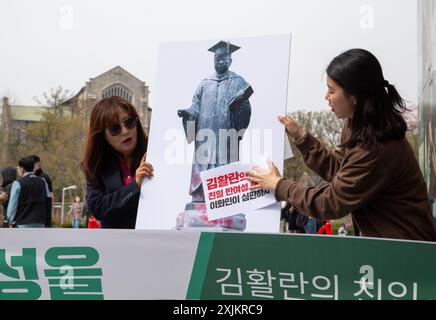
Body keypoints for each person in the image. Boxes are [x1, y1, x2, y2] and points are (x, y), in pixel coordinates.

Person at [246, 48, 436, 241]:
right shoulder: (357, 125)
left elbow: (330, 202)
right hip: (389, 248)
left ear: (355, 96)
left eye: (331, 90)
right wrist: (302, 138)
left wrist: (279, 185)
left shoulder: (376, 146)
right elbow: (341, 172)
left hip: (406, 253)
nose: (326, 97)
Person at [177, 40, 252, 204]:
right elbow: (195, 108)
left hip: (226, 138)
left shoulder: (238, 82)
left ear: (230, 61)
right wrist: (187, 114)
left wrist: (241, 104)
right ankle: (200, 198)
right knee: (203, 168)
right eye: (216, 59)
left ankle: (223, 202)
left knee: (224, 173)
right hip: (204, 139)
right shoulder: (204, 84)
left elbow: (245, 111)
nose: (219, 62)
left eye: (223, 59)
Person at [81, 96, 153, 229]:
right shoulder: (95, 165)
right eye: (115, 129)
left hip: (158, 239)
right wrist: (135, 185)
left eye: (129, 122)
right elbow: (97, 208)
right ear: (102, 136)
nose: (125, 131)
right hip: (116, 244)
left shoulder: (156, 152)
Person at [7, 156, 51, 228]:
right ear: (33, 167)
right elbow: (48, 201)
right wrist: (48, 222)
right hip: (40, 223)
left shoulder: (18, 183)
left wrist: (10, 221)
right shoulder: (43, 181)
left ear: (22, 169)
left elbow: (13, 204)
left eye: (18, 168)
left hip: (22, 223)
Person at [30, 155, 54, 227]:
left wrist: (48, 216)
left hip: (42, 215)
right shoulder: (30, 177)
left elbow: (51, 196)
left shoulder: (44, 177)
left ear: (38, 164)